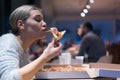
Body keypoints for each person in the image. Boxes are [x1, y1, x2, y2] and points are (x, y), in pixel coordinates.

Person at [0, 5, 62, 80]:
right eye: (38, 19)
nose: (44, 23)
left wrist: (50, 54)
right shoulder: (7, 42)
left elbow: (27, 72)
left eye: (43, 20)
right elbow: (7, 78)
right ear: (21, 24)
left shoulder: (24, 48)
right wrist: (45, 56)